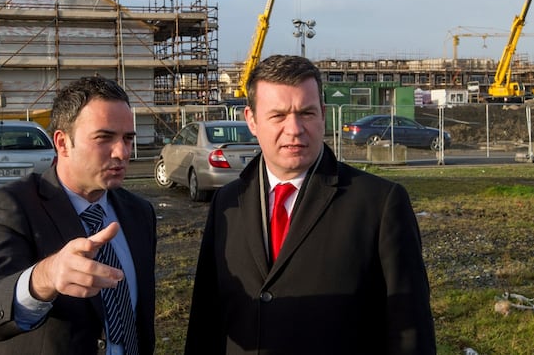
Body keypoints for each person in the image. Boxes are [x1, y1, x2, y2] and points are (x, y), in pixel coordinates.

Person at [185, 55, 435, 354]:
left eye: (306, 113)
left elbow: (410, 329)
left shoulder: (379, 203)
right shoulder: (227, 203)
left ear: (323, 114)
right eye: (278, 115)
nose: (294, 129)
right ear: (251, 120)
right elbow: (206, 316)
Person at [0, 76, 156, 355]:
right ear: (63, 143)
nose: (122, 152)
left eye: (128, 138)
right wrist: (44, 278)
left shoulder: (139, 212)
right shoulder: (11, 205)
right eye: (104, 138)